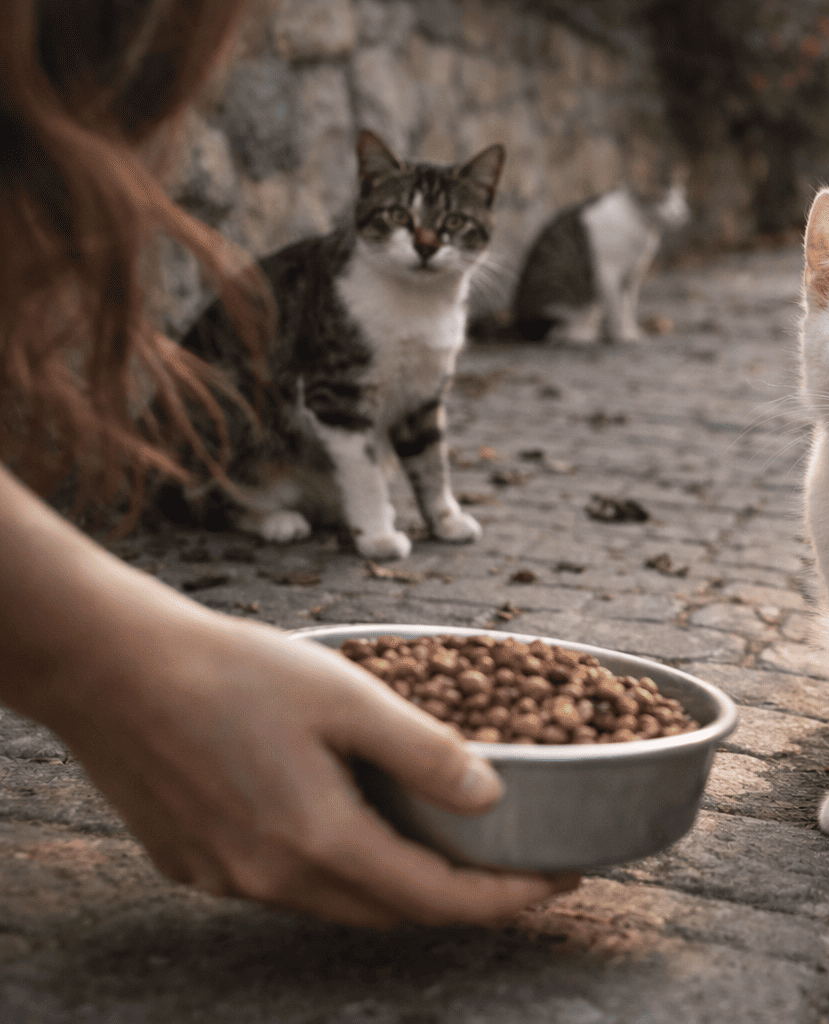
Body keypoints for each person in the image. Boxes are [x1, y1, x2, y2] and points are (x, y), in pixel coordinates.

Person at [0, 0, 577, 928]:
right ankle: (232, 506)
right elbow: (338, 407)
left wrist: (112, 661)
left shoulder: (442, 299)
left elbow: (415, 418)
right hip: (254, 459)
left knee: (415, 411)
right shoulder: (347, 286)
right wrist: (118, 671)